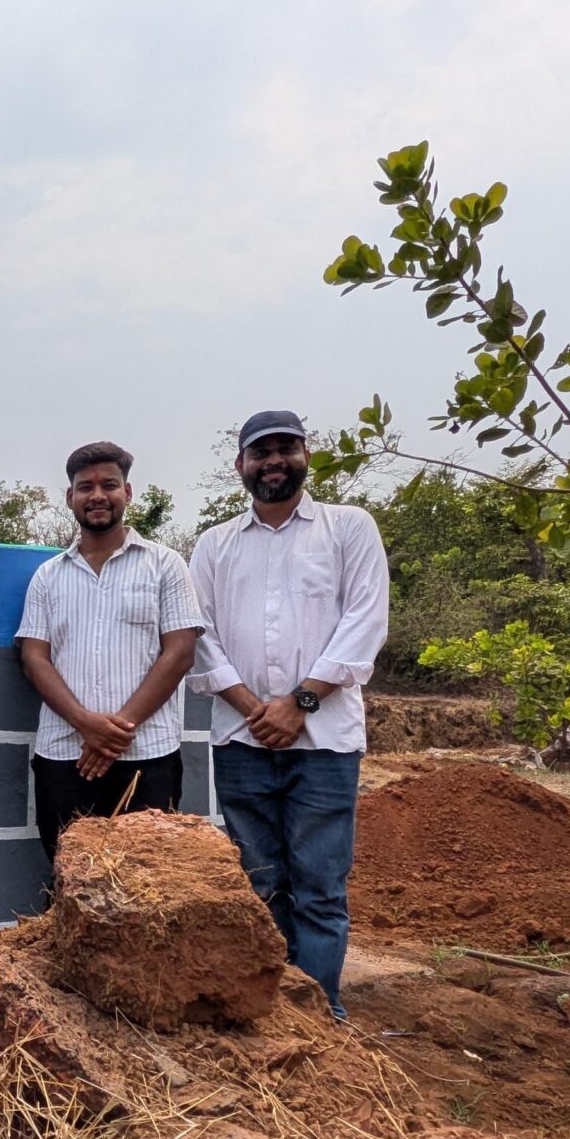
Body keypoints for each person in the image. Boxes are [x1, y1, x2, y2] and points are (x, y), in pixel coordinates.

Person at [188, 409, 390, 1021]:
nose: (274, 461)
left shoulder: (348, 529)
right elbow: (199, 634)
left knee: (320, 889)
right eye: (261, 451)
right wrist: (255, 710)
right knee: (259, 884)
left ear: (306, 455)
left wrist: (299, 703)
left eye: (286, 448)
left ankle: (321, 1014)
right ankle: (270, 1014)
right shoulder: (214, 545)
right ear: (240, 465)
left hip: (325, 744)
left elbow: (365, 623)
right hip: (242, 741)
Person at [17, 441, 205, 857]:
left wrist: (113, 734)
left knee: (148, 879)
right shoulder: (47, 577)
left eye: (109, 485)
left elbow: (180, 654)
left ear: (127, 492)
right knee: (69, 875)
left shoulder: (166, 565)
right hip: (65, 756)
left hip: (148, 756)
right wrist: (85, 723)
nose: (97, 495)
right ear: (70, 497)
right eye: (86, 487)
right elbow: (33, 658)